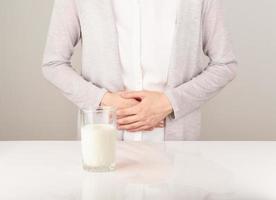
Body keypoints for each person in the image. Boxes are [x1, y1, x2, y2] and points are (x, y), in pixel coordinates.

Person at [42, 0, 237, 141]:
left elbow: (224, 64)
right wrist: (105, 102)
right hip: (104, 147)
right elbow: (54, 63)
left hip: (177, 148)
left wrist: (169, 103)